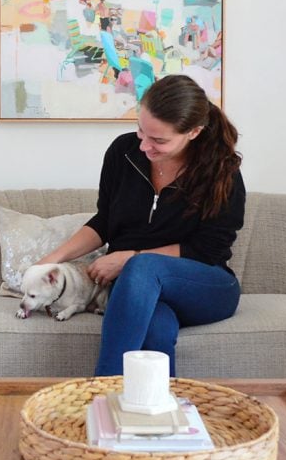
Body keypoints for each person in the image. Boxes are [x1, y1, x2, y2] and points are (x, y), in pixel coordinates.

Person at [38, 74, 244, 376]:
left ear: (194, 132)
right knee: (155, 330)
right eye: (141, 131)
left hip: (205, 286)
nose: (145, 145)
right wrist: (49, 261)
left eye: (159, 140)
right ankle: (158, 418)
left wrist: (132, 258)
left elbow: (209, 248)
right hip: (138, 289)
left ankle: (102, 390)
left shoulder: (221, 172)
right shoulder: (123, 153)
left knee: (143, 266)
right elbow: (104, 221)